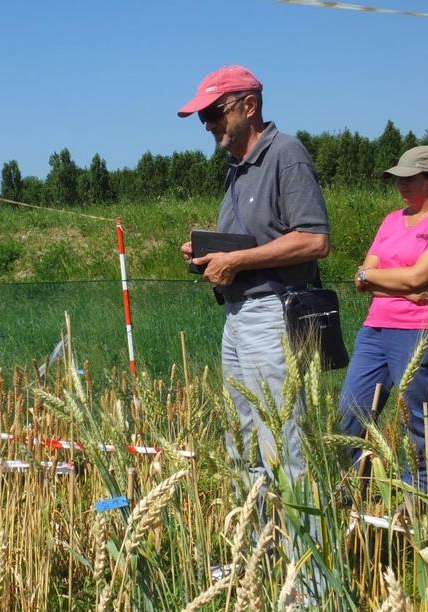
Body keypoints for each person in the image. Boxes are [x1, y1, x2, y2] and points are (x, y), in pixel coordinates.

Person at [178, 65, 330, 488]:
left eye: (215, 113)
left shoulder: (286, 154)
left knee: (282, 441)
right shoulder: (236, 167)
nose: (208, 125)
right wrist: (208, 255)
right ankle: (258, 548)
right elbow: (250, 241)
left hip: (273, 313)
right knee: (241, 439)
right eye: (204, 117)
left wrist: (238, 261)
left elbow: (315, 240)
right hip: (238, 314)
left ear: (250, 105)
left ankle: (301, 552)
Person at [339, 146, 428, 490]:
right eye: (399, 179)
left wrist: (384, 280)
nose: (402, 185)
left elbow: (418, 278)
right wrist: (401, 287)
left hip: (422, 332)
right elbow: (361, 278)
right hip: (375, 329)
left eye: (411, 178)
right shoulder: (391, 220)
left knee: (421, 422)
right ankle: (353, 496)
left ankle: (420, 502)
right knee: (351, 412)